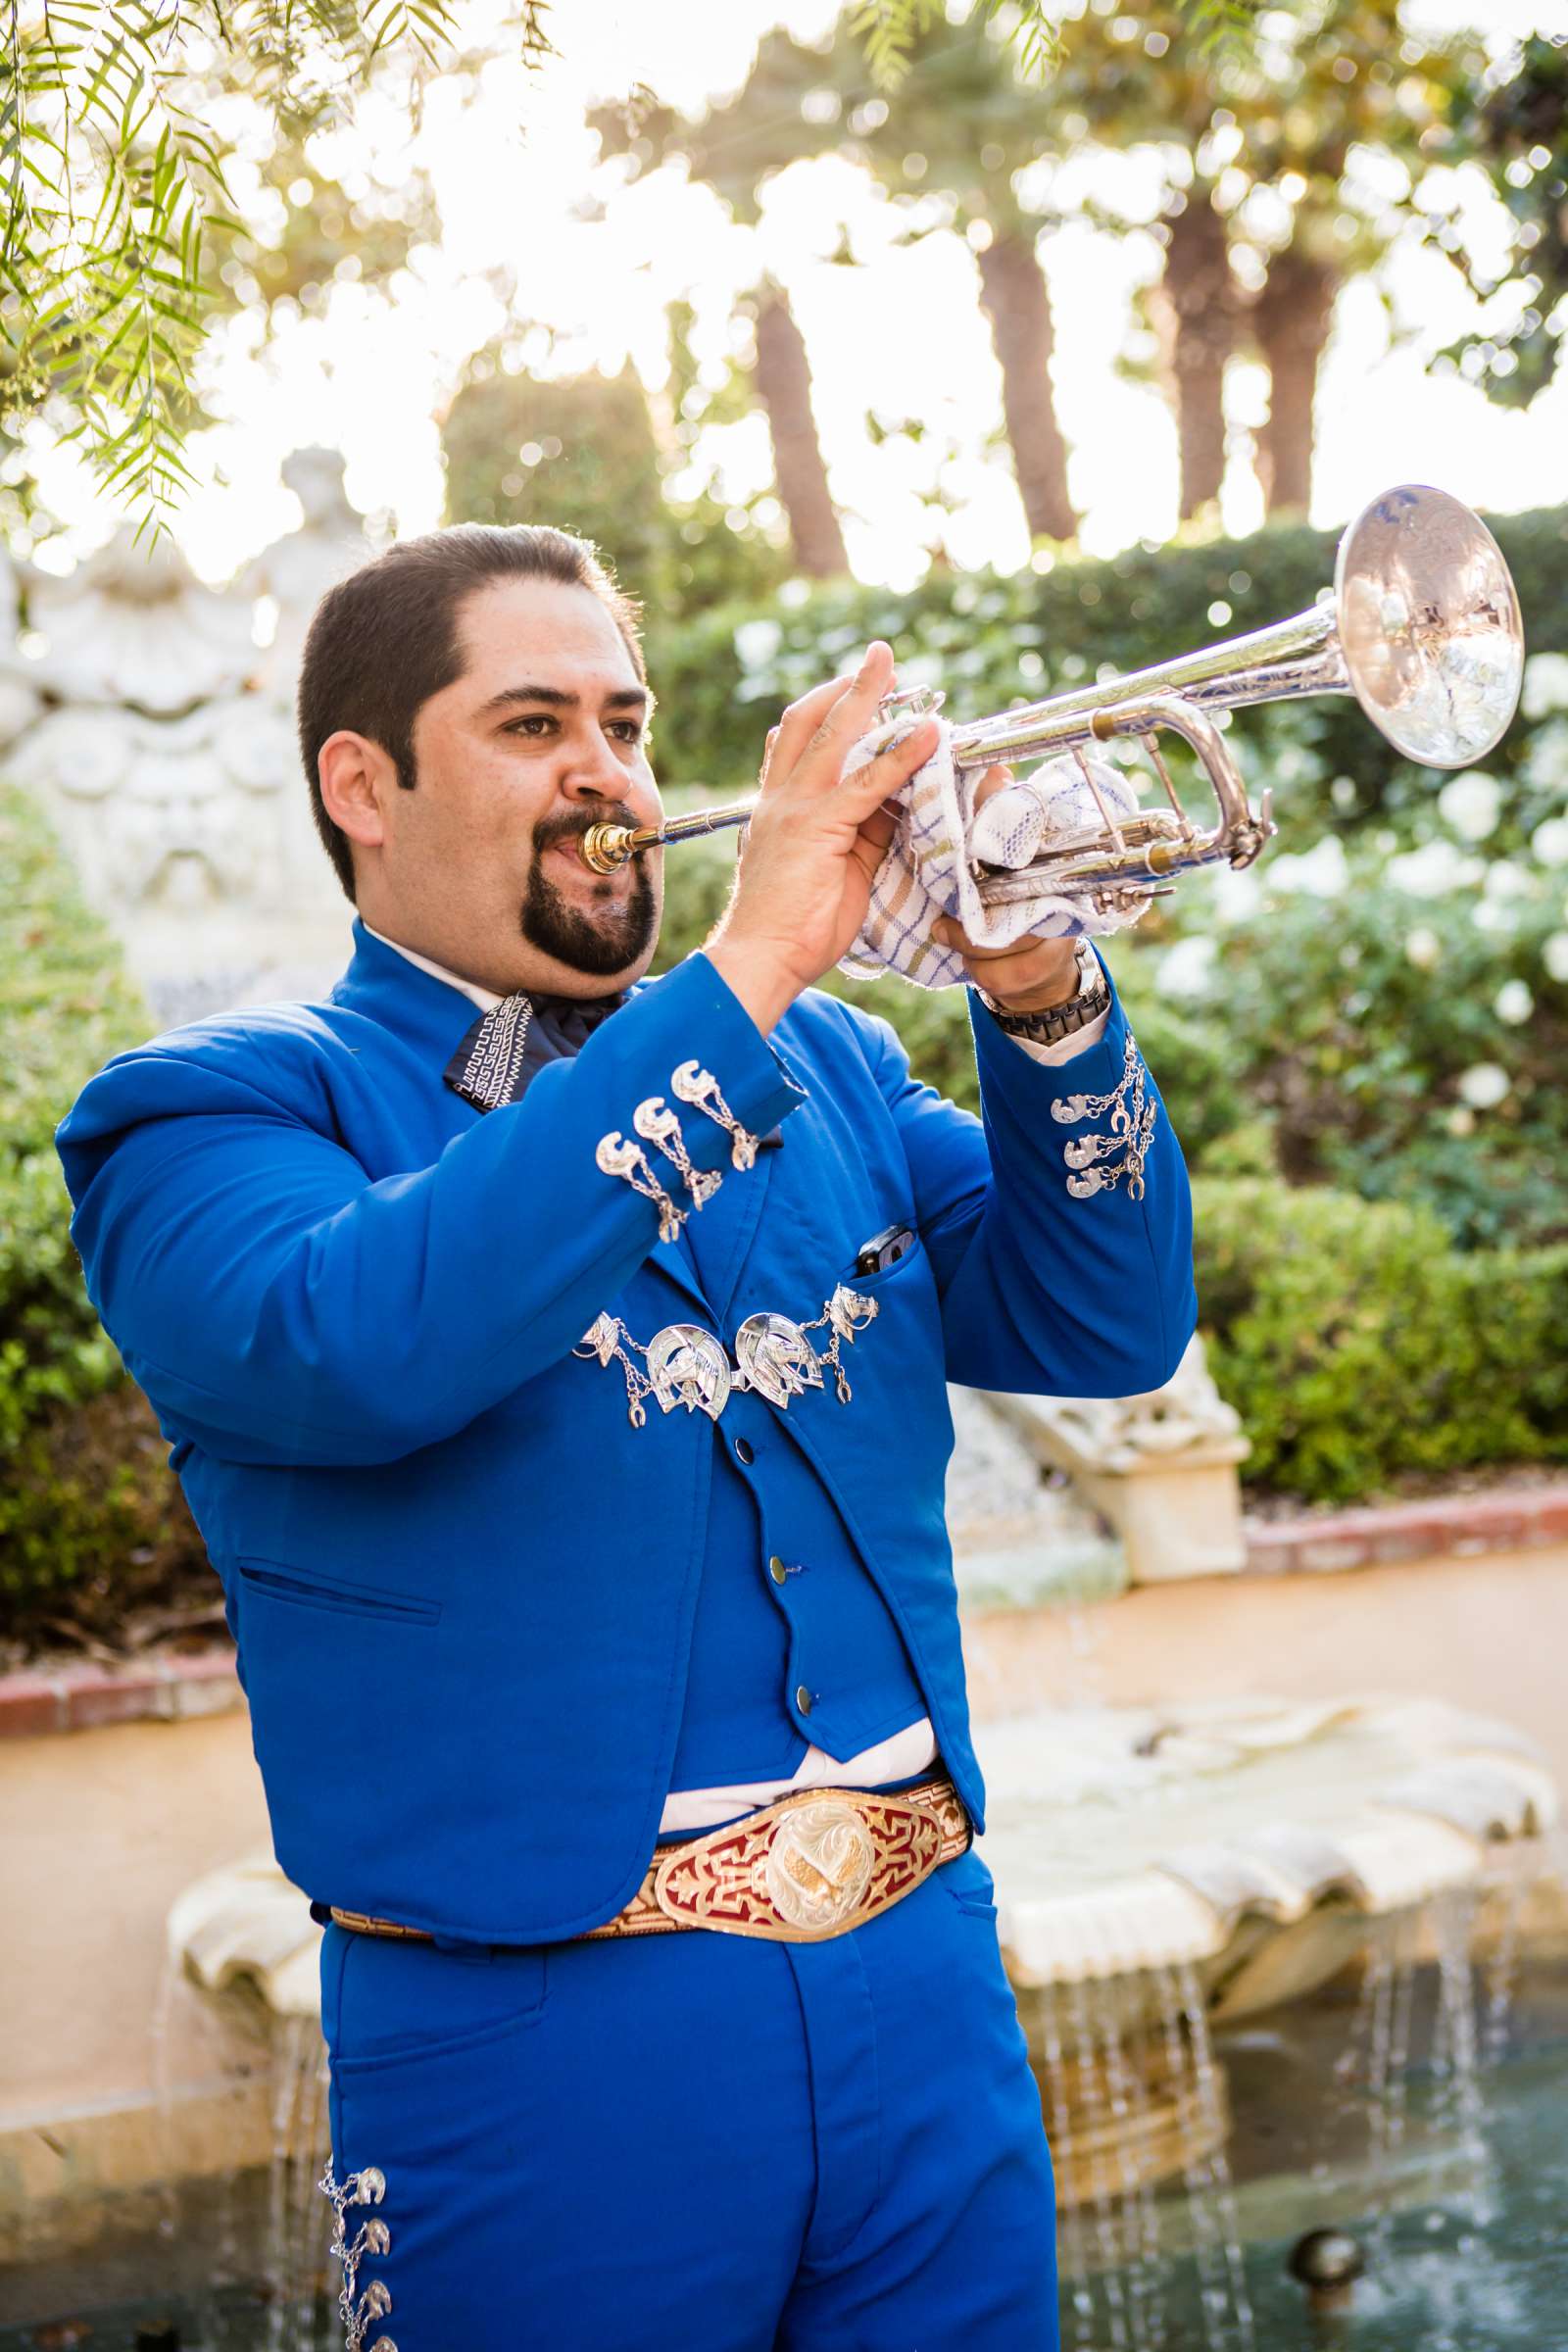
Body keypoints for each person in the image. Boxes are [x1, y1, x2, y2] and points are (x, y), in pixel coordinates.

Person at [57, 524, 1196, 2351]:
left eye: (627, 721)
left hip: (923, 1988)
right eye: (531, 724)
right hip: (540, 2048)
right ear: (365, 784)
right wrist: (744, 974)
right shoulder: (209, 1116)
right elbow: (365, 1349)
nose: (608, 775)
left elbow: (1103, 1320)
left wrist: (1042, 996)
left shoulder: (823, 1067)